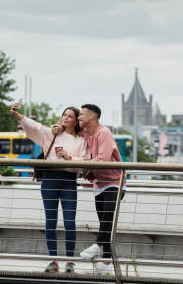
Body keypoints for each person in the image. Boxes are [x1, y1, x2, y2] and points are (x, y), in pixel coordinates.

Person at [11, 102, 88, 274]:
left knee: (70, 222)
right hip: (49, 179)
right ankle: (53, 261)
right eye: (64, 115)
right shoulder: (50, 133)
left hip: (69, 180)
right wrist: (17, 114)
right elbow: (34, 126)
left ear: (76, 121)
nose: (65, 118)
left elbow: (85, 162)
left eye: (70, 116)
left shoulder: (81, 141)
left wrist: (69, 158)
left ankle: (70, 261)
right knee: (50, 221)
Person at [73, 104, 126, 274]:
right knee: (106, 223)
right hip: (99, 184)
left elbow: (102, 158)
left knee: (107, 218)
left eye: (81, 115)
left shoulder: (104, 133)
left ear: (92, 117)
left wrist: (77, 163)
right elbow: (68, 128)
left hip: (115, 182)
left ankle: (98, 245)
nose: (79, 117)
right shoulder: (86, 133)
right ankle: (107, 263)